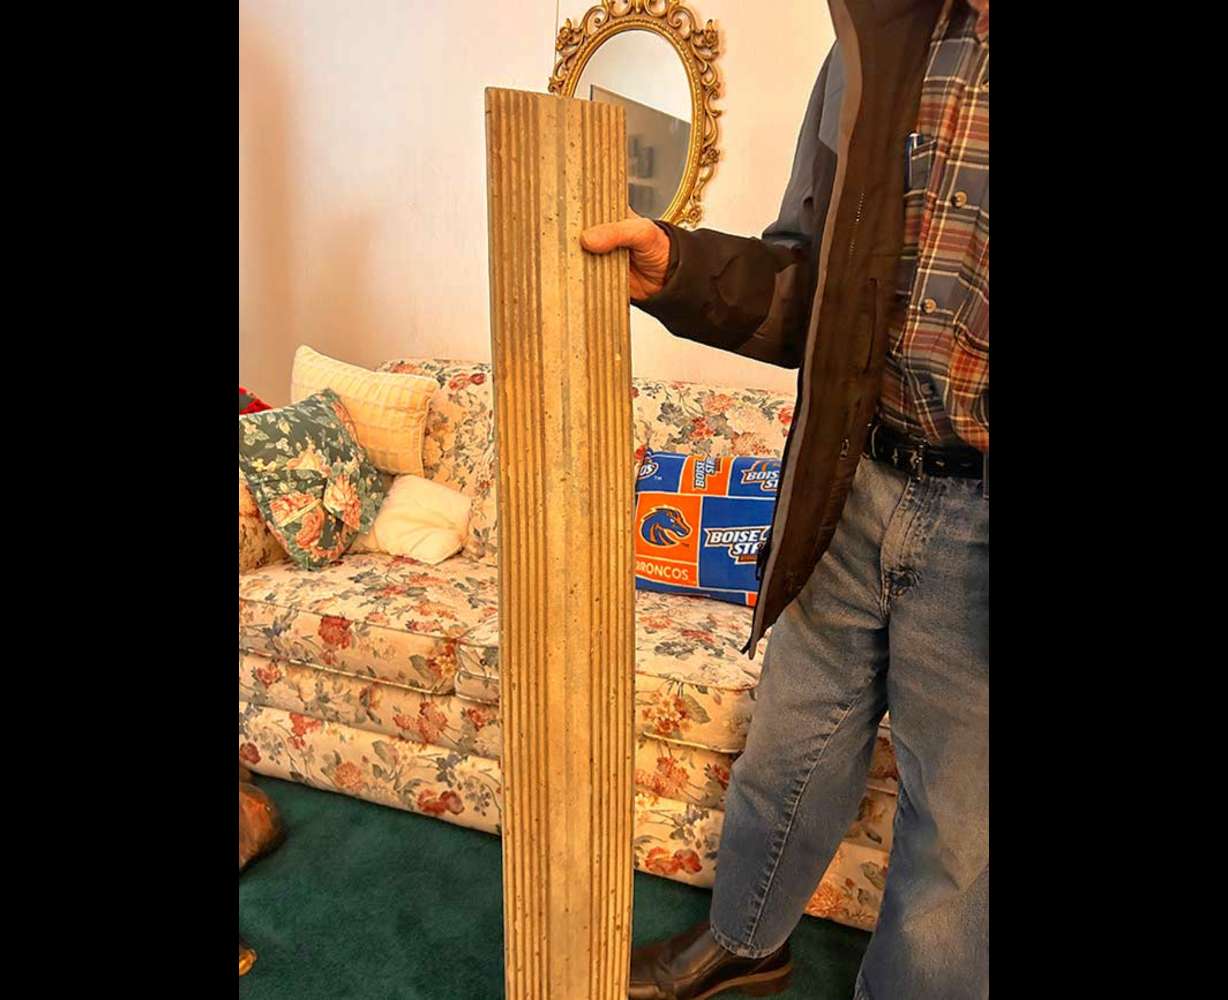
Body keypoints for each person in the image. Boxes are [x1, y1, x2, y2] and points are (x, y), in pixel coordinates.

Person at [581, 1, 988, 997]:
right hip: (850, 478)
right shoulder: (878, 33)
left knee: (958, 849)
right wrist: (680, 266)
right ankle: (744, 943)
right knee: (783, 761)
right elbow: (813, 286)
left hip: (981, 527)